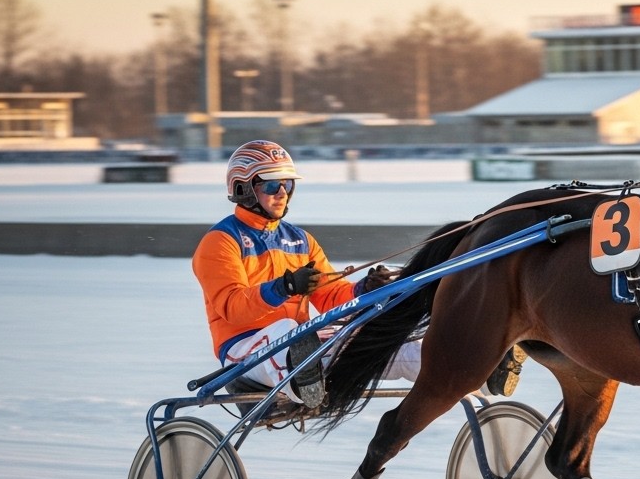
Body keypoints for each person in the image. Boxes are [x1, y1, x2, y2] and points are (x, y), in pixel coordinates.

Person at [191, 140, 524, 408]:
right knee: (290, 329)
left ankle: (481, 369)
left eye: (288, 184)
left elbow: (328, 295)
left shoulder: (300, 239)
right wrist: (283, 288)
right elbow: (232, 306)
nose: (282, 193)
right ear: (244, 189)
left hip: (304, 343)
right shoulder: (220, 242)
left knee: (383, 339)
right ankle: (306, 387)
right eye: (272, 184)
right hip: (245, 351)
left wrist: (364, 288)